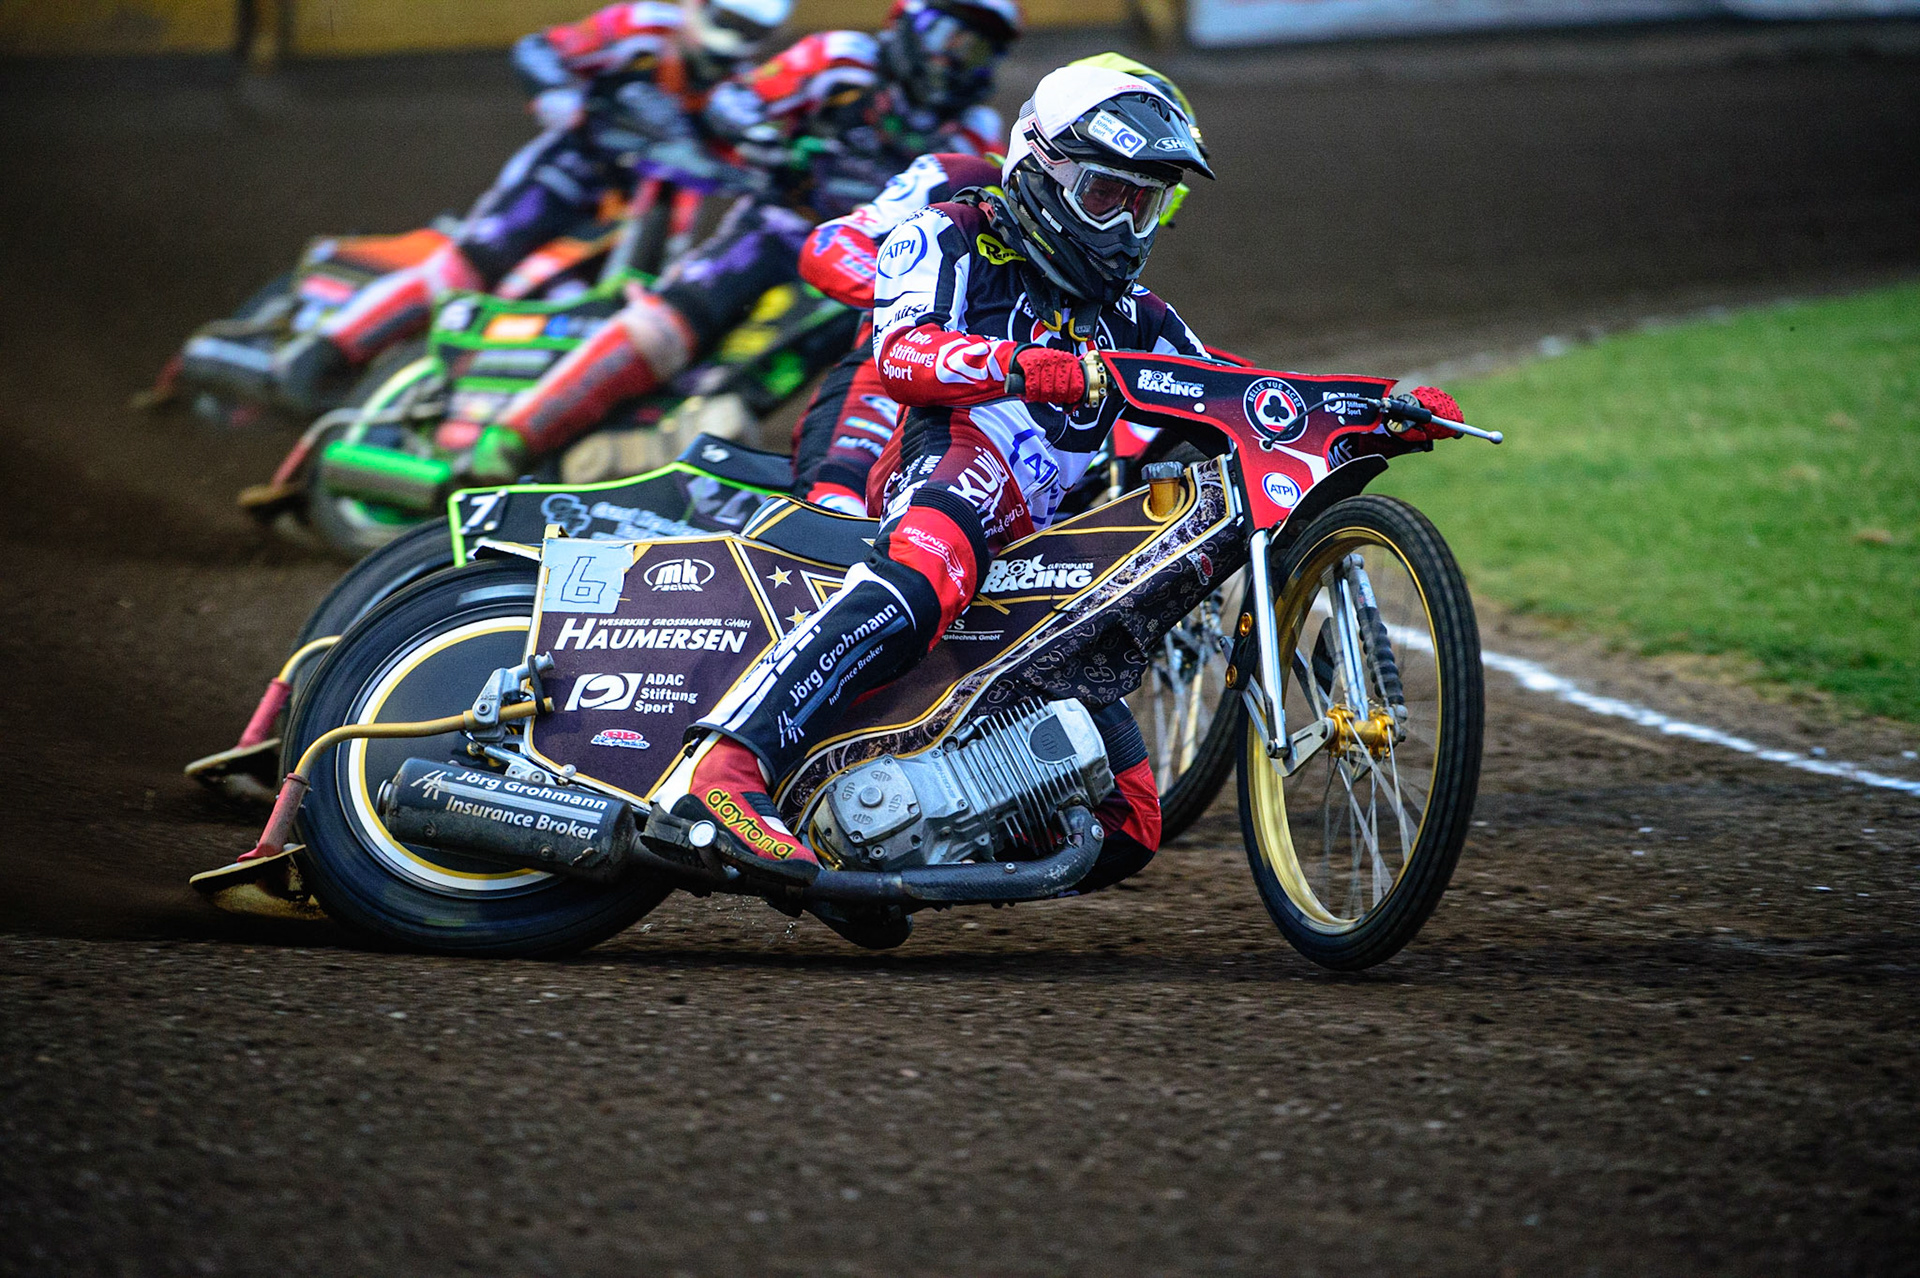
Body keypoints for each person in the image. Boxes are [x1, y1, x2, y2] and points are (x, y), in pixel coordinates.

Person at [653, 63, 1221, 894]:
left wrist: (1367, 408)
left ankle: (877, 834)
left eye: (1148, 204)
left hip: (1039, 539)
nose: (1127, 229)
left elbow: (1234, 391)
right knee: (913, 554)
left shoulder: (1141, 316)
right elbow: (902, 351)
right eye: (1108, 196)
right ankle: (726, 768)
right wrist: (1026, 367)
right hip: (930, 446)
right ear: (1043, 168)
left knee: (1132, 823)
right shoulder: (948, 224)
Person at [453, 0, 1023, 483]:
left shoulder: (971, 126)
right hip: (772, 231)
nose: (956, 55)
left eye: (976, 47)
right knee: (667, 330)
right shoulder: (843, 58)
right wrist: (764, 138)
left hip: (858, 273)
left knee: (757, 390)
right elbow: (737, 100)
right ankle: (510, 438)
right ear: (910, 20)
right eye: (950, 34)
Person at [271, 0, 792, 411]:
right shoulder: (640, 28)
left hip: (652, 206)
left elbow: (747, 148)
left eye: (751, 31)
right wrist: (557, 95)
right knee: (474, 262)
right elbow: (540, 49)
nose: (736, 39)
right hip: (570, 170)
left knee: (623, 300)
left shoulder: (743, 87)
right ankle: (323, 351)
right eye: (729, 20)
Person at [786, 52, 1202, 513]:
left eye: (1148, 198)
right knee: (837, 514)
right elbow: (827, 246)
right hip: (897, 389)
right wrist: (908, 291)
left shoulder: (1106, 269)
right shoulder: (956, 178)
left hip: (1033, 415)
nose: (1127, 213)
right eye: (1109, 186)